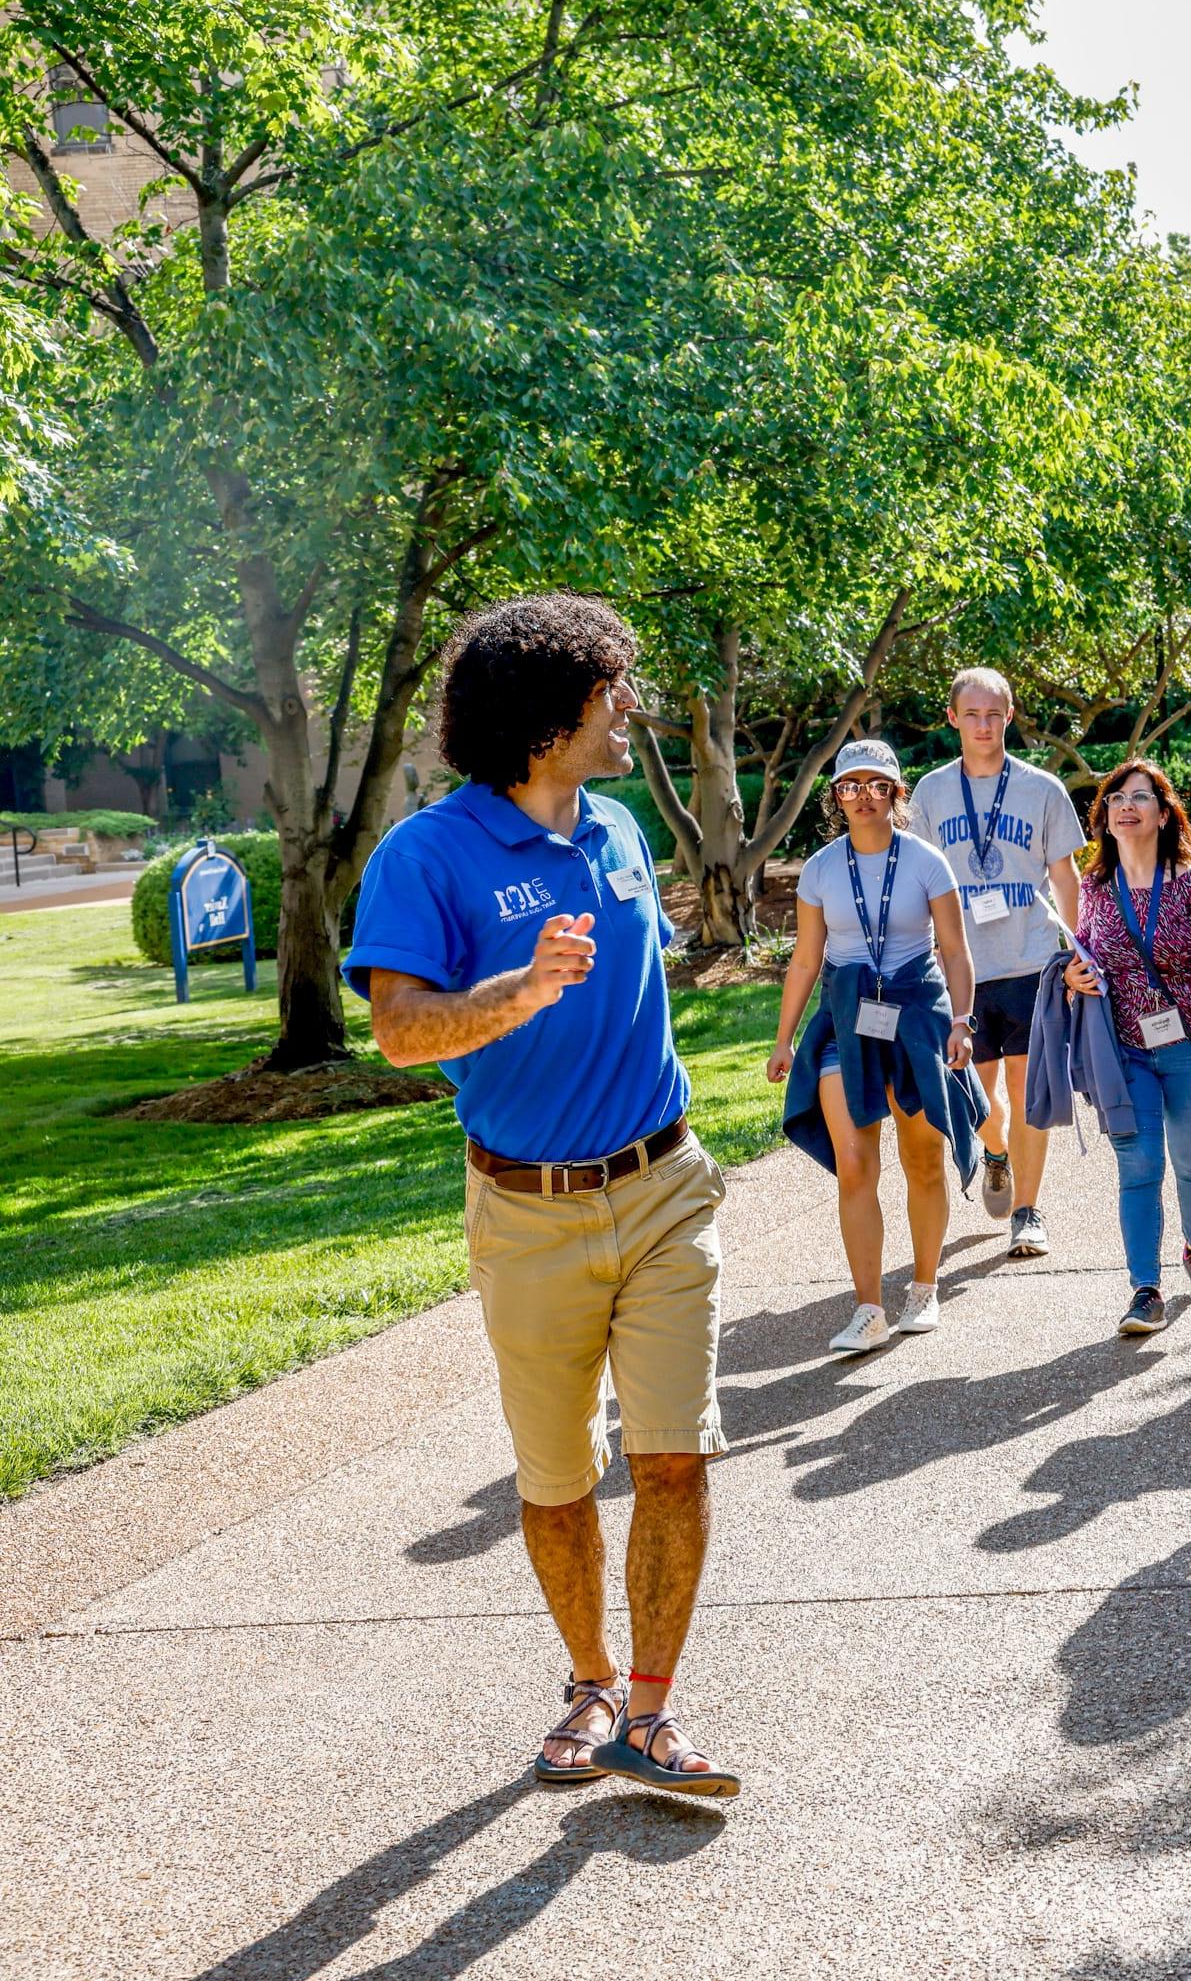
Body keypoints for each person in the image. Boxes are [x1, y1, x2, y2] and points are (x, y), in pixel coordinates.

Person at [351, 593, 738, 1796]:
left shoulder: (618, 831)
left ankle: (655, 1714)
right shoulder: (425, 855)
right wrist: (517, 992)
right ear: (543, 716)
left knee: (674, 1459)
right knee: (556, 1478)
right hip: (527, 1213)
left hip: (665, 1186)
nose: (632, 706)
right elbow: (403, 1034)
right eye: (611, 687)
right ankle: (591, 1679)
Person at [771, 740, 986, 1356]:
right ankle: (867, 1307)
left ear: (896, 793)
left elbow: (954, 950)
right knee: (856, 1164)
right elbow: (807, 958)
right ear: (836, 797)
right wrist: (785, 1040)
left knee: (921, 1160)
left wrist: (962, 1022)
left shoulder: (925, 862)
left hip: (916, 1018)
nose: (863, 795)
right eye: (850, 785)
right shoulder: (819, 869)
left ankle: (923, 1288)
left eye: (876, 784)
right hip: (846, 1023)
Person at [912, 669, 1083, 1265]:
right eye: (972, 715)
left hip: (1033, 960)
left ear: (1009, 717)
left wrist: (1077, 951)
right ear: (953, 719)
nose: (984, 725)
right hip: (961, 968)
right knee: (977, 1092)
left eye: (995, 714)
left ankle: (1028, 1212)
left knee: (1027, 1087)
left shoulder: (1042, 789)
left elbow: (1065, 876)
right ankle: (996, 1151)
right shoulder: (930, 794)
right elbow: (915, 881)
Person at [1063, 758, 1191, 1335]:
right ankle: (1145, 1289)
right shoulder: (1095, 888)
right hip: (1123, 1052)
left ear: (1164, 815)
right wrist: (1073, 977)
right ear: (1105, 818)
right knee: (1138, 1167)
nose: (1127, 805)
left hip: (1189, 1046)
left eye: (1141, 797)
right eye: (1116, 798)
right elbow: (1084, 953)